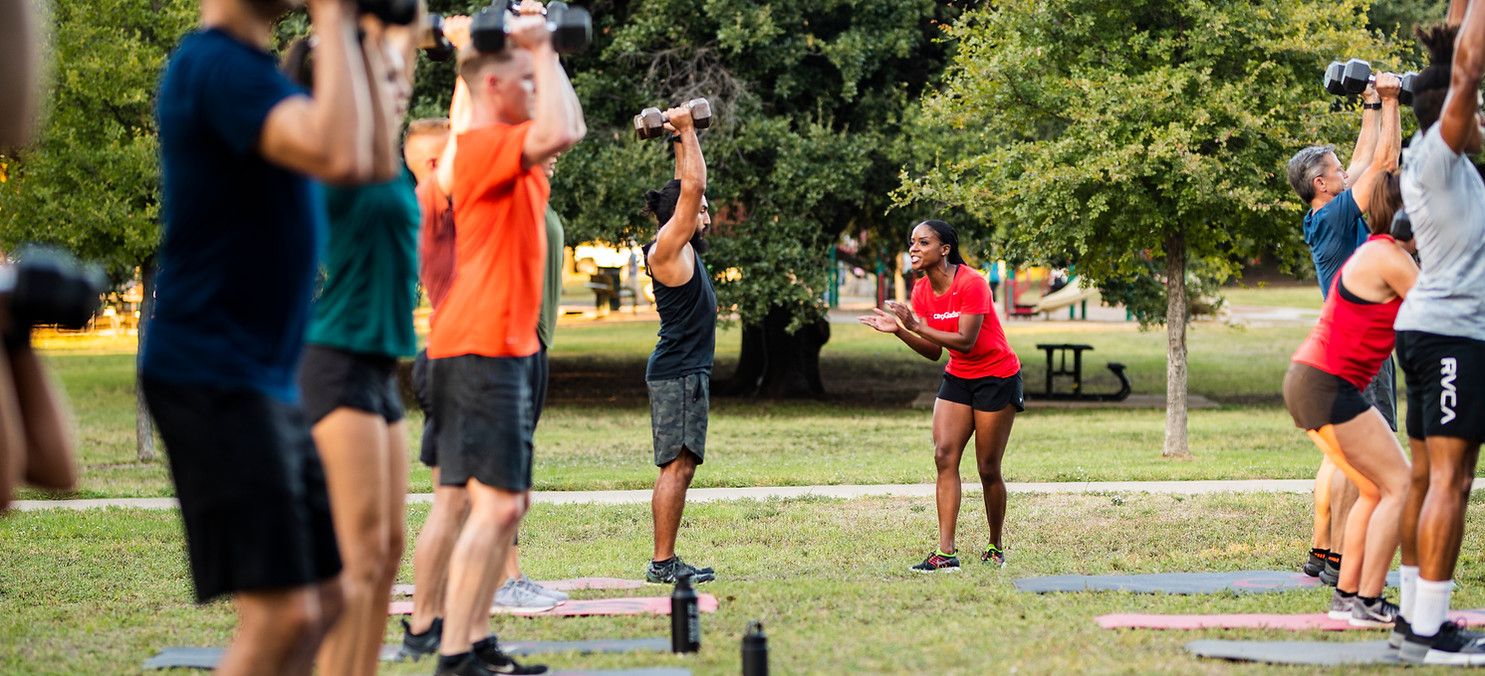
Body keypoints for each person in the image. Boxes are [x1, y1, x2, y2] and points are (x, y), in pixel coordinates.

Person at [142, 0, 373, 673]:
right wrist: (334, 14)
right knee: (285, 612)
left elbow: (358, 157)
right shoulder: (216, 66)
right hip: (212, 366)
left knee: (327, 599)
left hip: (260, 374)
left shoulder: (258, 74)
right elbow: (335, 150)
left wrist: (359, 37)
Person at [426, 0, 585, 672]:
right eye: (521, 79)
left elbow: (562, 123)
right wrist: (538, 45)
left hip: (502, 348)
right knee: (491, 510)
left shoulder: (511, 157)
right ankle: (456, 650)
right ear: (494, 88)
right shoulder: (484, 149)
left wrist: (531, 47)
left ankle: (473, 640)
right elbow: (562, 127)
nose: (535, 87)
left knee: (501, 506)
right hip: (482, 349)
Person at [282, 15, 419, 676]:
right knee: (354, 563)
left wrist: (405, 31)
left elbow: (403, 43)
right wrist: (345, 32)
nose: (397, 88)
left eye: (398, 79)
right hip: (332, 364)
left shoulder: (384, 156)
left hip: (374, 368)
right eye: (380, 78)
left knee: (384, 554)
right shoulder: (335, 155)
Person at [1285, 66, 1404, 586]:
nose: (1345, 173)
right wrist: (1395, 101)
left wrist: (1371, 105)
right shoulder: (1335, 217)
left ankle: (1321, 553)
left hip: (1337, 347)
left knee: (1339, 457)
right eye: (1336, 171)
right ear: (1321, 184)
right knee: (1364, 461)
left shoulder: (1325, 210)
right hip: (1360, 348)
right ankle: (1339, 561)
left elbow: (1359, 161)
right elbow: (1382, 164)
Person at [1283, 171, 1416, 629]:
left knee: (1377, 488)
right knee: (1402, 484)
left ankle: (1347, 596)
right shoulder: (1387, 256)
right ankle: (1368, 600)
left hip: (1315, 382)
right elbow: (1437, 311)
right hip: (1325, 384)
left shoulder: (1378, 252)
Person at [1394, 1, 1485, 663]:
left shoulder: (1432, 162)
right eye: (1471, 112)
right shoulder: (1436, 155)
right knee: (1451, 484)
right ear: (1448, 115)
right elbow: (1464, 70)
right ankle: (1428, 631)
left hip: (1426, 332)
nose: (1478, 119)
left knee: (1425, 482)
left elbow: (1452, 55)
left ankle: (1408, 619)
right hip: (1451, 337)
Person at [860, 220, 1022, 570]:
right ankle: (946, 553)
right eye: (912, 242)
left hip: (997, 375)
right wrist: (900, 332)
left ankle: (995, 545)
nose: (914, 248)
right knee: (944, 456)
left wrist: (915, 325)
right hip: (959, 376)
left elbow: (965, 339)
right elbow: (935, 350)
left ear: (945, 249)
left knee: (988, 467)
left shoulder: (972, 283)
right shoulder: (920, 291)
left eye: (923, 242)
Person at [641, 109, 717, 585]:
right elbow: (691, 189)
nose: (705, 213)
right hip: (679, 372)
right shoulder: (669, 247)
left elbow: (682, 186)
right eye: (701, 209)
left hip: (685, 370)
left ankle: (665, 559)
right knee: (677, 466)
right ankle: (663, 562)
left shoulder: (678, 244)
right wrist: (689, 128)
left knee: (682, 464)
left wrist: (675, 138)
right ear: (683, 218)